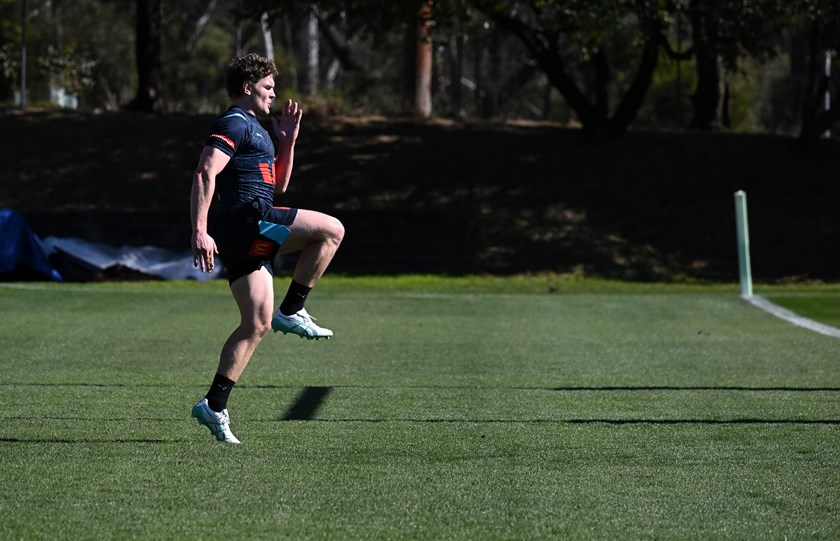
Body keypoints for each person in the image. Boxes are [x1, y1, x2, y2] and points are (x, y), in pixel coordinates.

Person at [189, 53, 344, 444]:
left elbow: (278, 185)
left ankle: (214, 405)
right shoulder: (234, 123)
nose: (274, 95)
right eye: (268, 87)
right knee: (331, 231)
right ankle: (292, 309)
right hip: (248, 221)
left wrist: (287, 142)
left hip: (249, 233)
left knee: (256, 322)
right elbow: (206, 170)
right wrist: (200, 231)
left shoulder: (258, 129)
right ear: (247, 88)